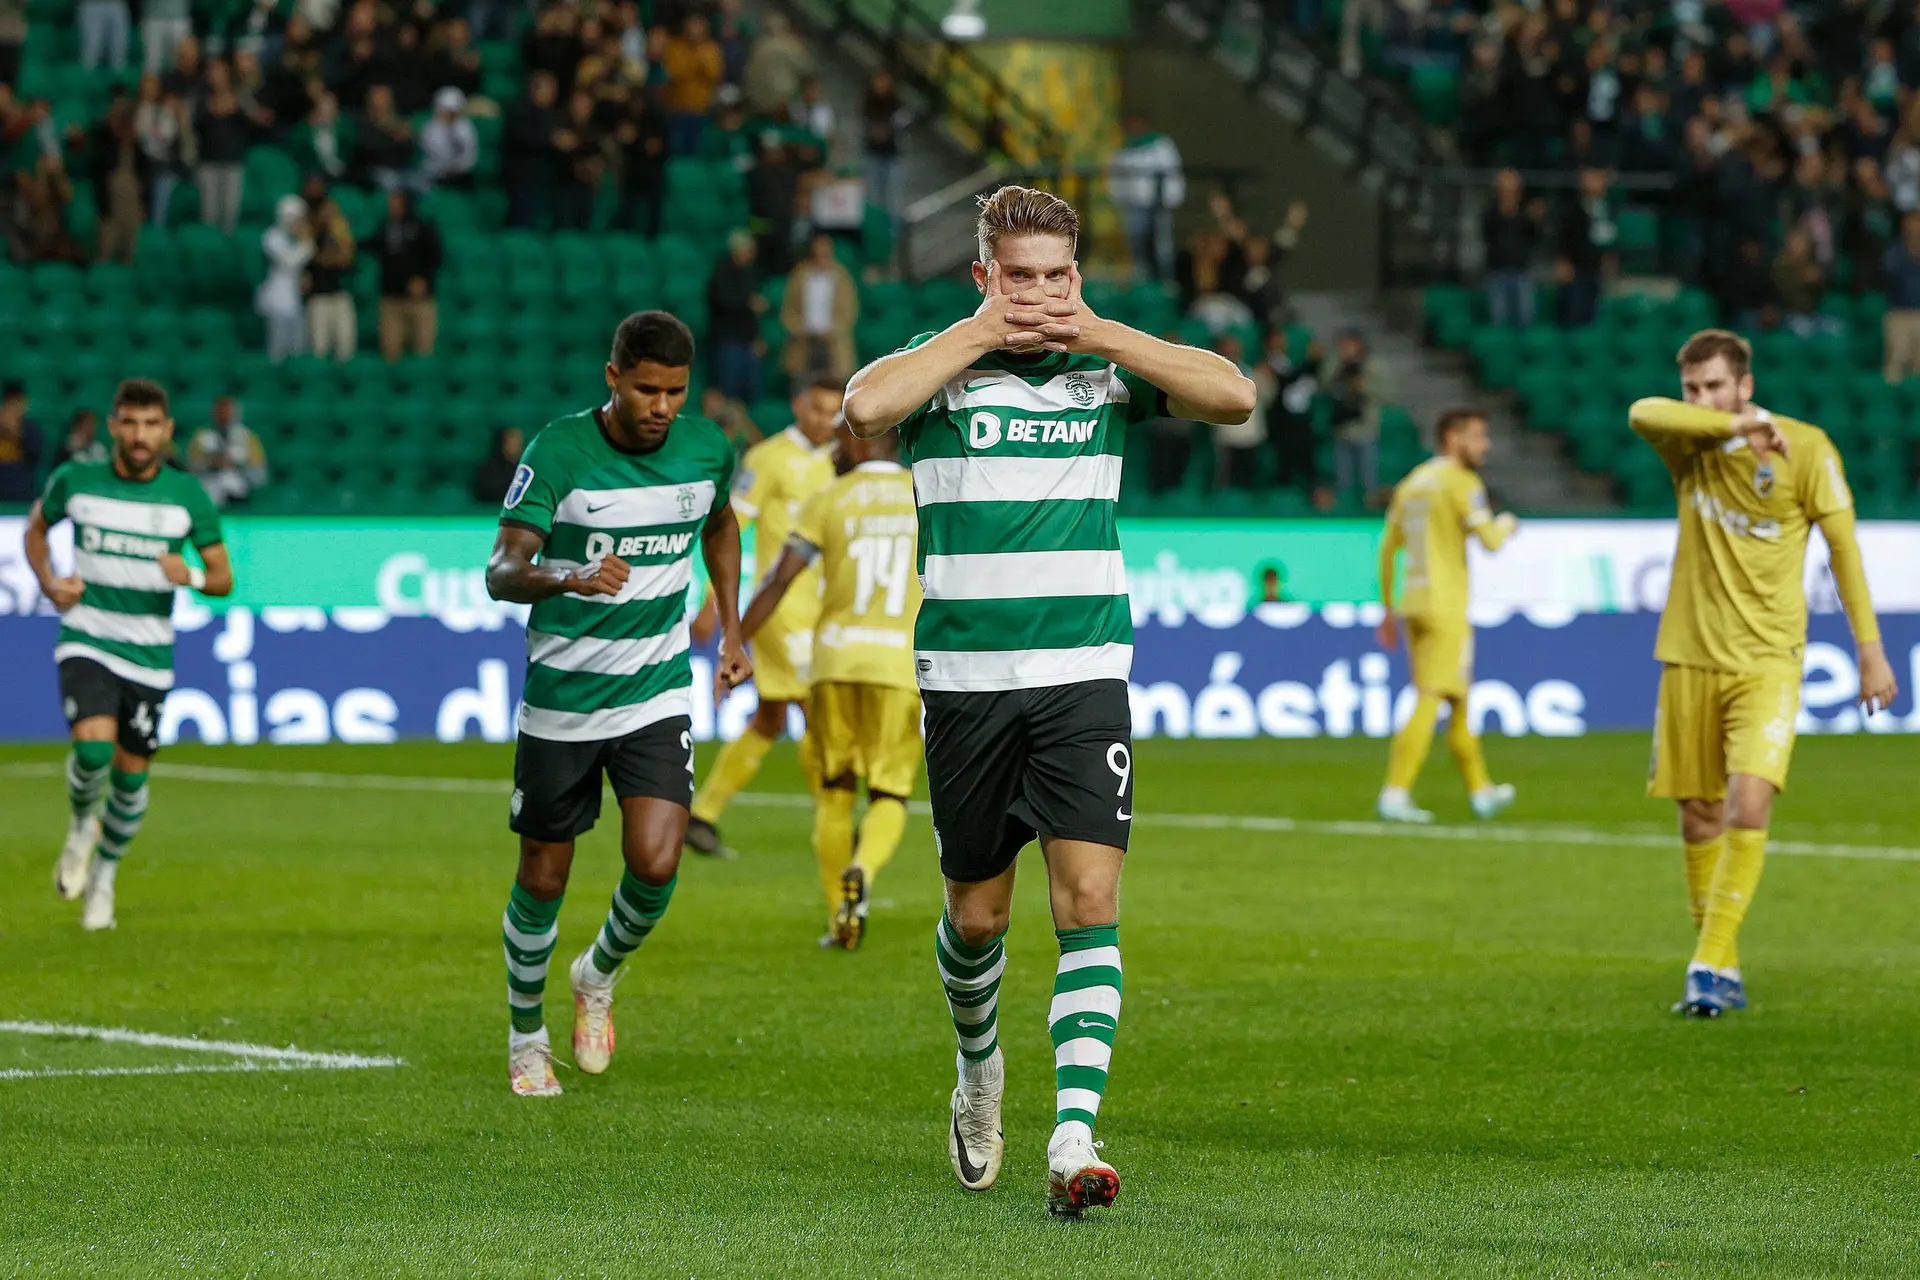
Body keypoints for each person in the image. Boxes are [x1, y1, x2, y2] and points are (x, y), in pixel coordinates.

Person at [839, 185, 1255, 1215]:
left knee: (1089, 901)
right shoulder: (942, 367)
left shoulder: (1104, 368)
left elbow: (1235, 396)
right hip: (968, 686)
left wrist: (1102, 330)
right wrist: (978, 334)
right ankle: (979, 1068)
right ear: (984, 276)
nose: (1038, 295)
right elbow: (863, 411)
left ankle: (1074, 1133)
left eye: (1056, 275)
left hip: (1082, 674)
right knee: (977, 920)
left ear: (1078, 276)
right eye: (1017, 276)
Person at [483, 311, 751, 1098]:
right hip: (563, 699)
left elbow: (722, 522)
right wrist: (569, 577)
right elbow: (501, 571)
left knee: (658, 859)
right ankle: (525, 1036)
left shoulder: (707, 449)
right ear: (613, 378)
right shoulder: (559, 451)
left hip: (654, 690)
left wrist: (731, 630)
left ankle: (597, 974)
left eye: (674, 391)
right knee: (542, 875)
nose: (661, 405)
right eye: (645, 389)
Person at [1629, 330, 1896, 1018]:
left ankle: (1706, 964)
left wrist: (1870, 649)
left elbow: (1844, 552)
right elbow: (1641, 412)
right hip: (1689, 654)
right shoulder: (1690, 442)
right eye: (1693, 388)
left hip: (1769, 660)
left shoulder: (1807, 448)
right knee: (1699, 816)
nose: (1701, 398)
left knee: (1750, 802)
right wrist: (1731, 425)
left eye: (1715, 386)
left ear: (1746, 382)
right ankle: (1724, 965)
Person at [25, 378, 234, 932]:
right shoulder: (77, 481)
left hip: (149, 653)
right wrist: (49, 581)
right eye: (130, 423)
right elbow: (36, 529)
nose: (140, 436)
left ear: (166, 431)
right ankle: (78, 829)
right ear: (114, 426)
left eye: (151, 425)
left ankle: (106, 876)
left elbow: (222, 578)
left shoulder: (187, 495)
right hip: (88, 635)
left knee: (131, 779)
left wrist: (187, 575)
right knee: (93, 754)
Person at [736, 423, 920, 949]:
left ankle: (839, 917)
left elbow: (778, 580)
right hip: (897, 665)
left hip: (833, 661)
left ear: (867, 443)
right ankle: (863, 867)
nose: (834, 451)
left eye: (842, 441)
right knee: (888, 791)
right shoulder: (924, 496)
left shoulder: (827, 499)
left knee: (835, 793)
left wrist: (736, 641)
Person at [684, 375, 842, 857]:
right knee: (818, 714)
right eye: (818, 409)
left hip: (823, 609)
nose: (826, 420)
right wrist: (712, 606)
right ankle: (832, 827)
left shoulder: (843, 460)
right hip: (780, 610)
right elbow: (729, 530)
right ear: (798, 406)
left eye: (835, 411)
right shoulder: (768, 459)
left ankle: (701, 814)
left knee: (770, 718)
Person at [1374, 409, 1518, 825]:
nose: (1485, 445)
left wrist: (1387, 609)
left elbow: (1387, 548)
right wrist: (1507, 522)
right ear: (1452, 438)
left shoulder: (1413, 482)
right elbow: (1490, 540)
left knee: (1457, 701)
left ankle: (1481, 791)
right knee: (1431, 696)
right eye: (1478, 436)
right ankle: (1395, 791)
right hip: (1446, 606)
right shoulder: (1461, 482)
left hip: (1414, 602)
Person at [365, 189, 441, 362]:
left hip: (419, 300)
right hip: (391, 298)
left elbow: (435, 257)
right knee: (390, 351)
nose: (391, 204)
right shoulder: (385, 227)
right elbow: (371, 246)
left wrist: (424, 279)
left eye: (396, 200)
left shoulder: (423, 227)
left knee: (423, 351)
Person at [1107, 115, 1184, 282]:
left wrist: (1172, 198)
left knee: (1162, 246)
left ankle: (1166, 280)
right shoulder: (1124, 150)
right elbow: (1116, 178)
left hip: (1159, 204)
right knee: (1137, 244)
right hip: (1134, 206)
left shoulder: (1160, 145)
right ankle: (1143, 281)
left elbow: (1172, 173)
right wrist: (1118, 200)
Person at [781, 233, 857, 384]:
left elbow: (850, 310)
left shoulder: (842, 277)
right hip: (804, 340)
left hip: (833, 342)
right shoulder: (800, 275)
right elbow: (788, 309)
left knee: (833, 390)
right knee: (803, 387)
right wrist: (797, 327)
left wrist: (835, 328)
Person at [257, 195, 313, 364]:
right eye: (298, 219)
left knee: (298, 350)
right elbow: (289, 261)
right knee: (277, 353)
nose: (301, 223)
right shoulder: (272, 237)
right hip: (277, 303)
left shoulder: (295, 239)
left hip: (294, 303)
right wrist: (307, 246)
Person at [1481, 170, 1540, 329]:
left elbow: (1534, 239)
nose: (1508, 193)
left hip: (1521, 270)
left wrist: (1535, 221)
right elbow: (1487, 236)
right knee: (1498, 318)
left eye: (1512, 189)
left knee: (1525, 317)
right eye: (1504, 188)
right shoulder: (1490, 213)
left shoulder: (1526, 214)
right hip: (1497, 270)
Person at [502, 70, 559, 229]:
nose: (552, 95)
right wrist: (552, 139)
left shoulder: (550, 114)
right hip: (521, 176)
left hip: (542, 177)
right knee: (522, 221)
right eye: (549, 90)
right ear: (534, 89)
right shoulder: (519, 111)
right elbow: (523, 139)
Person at [186, 395, 268, 506]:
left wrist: (238, 464)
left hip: (240, 489)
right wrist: (211, 462)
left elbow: (260, 475)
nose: (224, 416)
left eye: (228, 412)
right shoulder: (201, 437)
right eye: (220, 412)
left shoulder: (248, 437)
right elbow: (190, 470)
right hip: (209, 487)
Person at [659, 13, 722, 156]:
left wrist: (699, 55)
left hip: (701, 111)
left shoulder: (711, 49)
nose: (695, 30)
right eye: (692, 25)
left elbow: (714, 75)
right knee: (677, 151)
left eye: (699, 26)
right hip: (677, 110)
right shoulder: (675, 47)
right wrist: (695, 63)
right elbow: (674, 73)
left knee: (698, 152)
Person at [306, 192, 357, 362]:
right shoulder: (311, 235)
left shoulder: (341, 235)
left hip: (340, 295)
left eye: (333, 211)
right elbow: (314, 259)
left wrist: (339, 248)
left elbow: (348, 263)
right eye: (326, 211)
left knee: (345, 344)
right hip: (318, 297)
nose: (329, 215)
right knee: (319, 347)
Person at [1882, 212, 1920, 383]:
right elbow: (1889, 272)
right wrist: (1910, 251)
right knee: (1895, 364)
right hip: (1899, 314)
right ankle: (1887, 402)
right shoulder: (1895, 250)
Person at [416, 86, 477, 190]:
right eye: (446, 110)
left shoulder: (466, 128)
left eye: (453, 110)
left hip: (460, 177)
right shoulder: (430, 129)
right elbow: (431, 156)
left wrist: (456, 168)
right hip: (433, 178)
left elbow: (469, 156)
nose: (450, 114)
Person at [0, 378, 44, 502]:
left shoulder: (30, 429)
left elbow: (37, 458)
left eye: (17, 403)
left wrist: (17, 433)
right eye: (10, 403)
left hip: (21, 491)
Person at [470, 426, 523, 504]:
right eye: (512, 442)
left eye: (519, 442)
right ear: (502, 442)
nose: (518, 446)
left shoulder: (523, 468)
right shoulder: (488, 471)